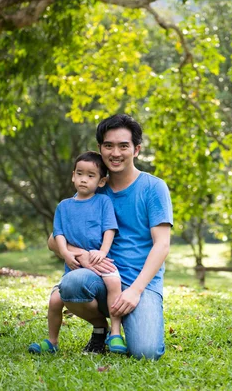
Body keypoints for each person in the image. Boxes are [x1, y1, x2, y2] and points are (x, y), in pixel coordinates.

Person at [48, 114, 172, 360]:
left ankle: (131, 320)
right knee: (71, 285)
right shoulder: (92, 186)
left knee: (146, 353)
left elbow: (162, 245)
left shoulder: (153, 188)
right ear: (99, 148)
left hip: (140, 284)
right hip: (97, 279)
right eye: (109, 145)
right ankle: (101, 327)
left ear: (136, 150)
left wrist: (135, 291)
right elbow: (53, 240)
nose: (115, 153)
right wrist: (81, 255)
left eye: (123, 146)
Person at [28, 151, 127, 354]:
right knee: (55, 300)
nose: (84, 179)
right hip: (74, 267)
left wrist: (102, 251)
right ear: (73, 175)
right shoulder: (64, 207)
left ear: (101, 182)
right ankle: (52, 342)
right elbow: (59, 234)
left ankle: (115, 333)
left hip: (100, 260)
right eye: (80, 174)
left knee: (114, 281)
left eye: (91, 175)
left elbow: (109, 229)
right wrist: (65, 253)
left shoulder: (102, 202)